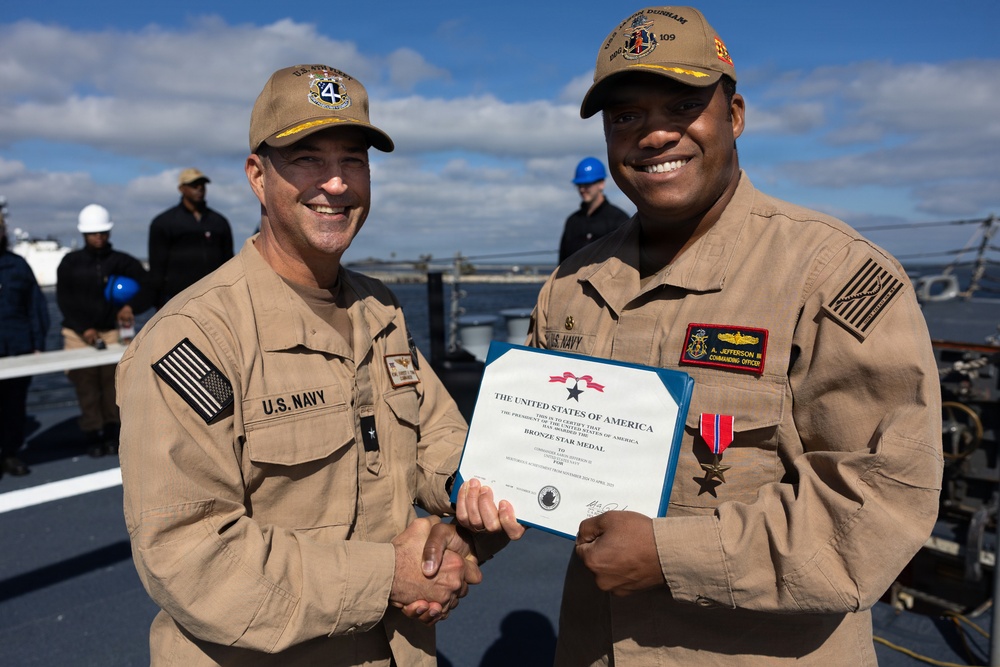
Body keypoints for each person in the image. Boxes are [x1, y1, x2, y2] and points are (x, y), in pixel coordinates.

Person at [456, 6, 943, 665]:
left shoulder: (829, 277)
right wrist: (466, 527)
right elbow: (520, 459)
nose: (653, 134)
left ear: (734, 115)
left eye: (682, 104)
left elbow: (880, 503)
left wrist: (668, 555)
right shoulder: (571, 288)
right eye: (625, 115)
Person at [118, 64, 505, 666]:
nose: (336, 183)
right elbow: (189, 555)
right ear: (256, 175)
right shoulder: (195, 338)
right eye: (306, 158)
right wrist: (391, 576)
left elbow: (439, 439)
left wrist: (464, 511)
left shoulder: (380, 308)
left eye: (353, 160)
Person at [56, 204, 148, 457]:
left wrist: (132, 306)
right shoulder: (70, 263)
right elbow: (65, 300)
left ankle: (112, 430)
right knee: (85, 384)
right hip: (78, 335)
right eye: (93, 232)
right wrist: (84, 328)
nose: (98, 236)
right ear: (84, 234)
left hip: (111, 333)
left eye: (102, 232)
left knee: (114, 384)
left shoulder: (123, 262)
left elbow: (148, 287)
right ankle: (92, 432)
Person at [0, 207, 50, 478]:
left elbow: (36, 307)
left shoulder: (17, 265)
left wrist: (38, 342)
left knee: (14, 405)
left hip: (17, 348)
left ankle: (9, 453)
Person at [147, 167, 233, 309]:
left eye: (202, 185)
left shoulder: (219, 222)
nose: (199, 188)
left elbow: (228, 261)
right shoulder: (164, 222)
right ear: (181, 188)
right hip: (176, 300)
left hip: (214, 299)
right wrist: (159, 303)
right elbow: (157, 267)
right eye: (194, 185)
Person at [558, 157, 630, 262]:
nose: (582, 189)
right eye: (579, 185)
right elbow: (562, 263)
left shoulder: (619, 219)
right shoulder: (572, 221)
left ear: (601, 184)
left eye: (587, 184)